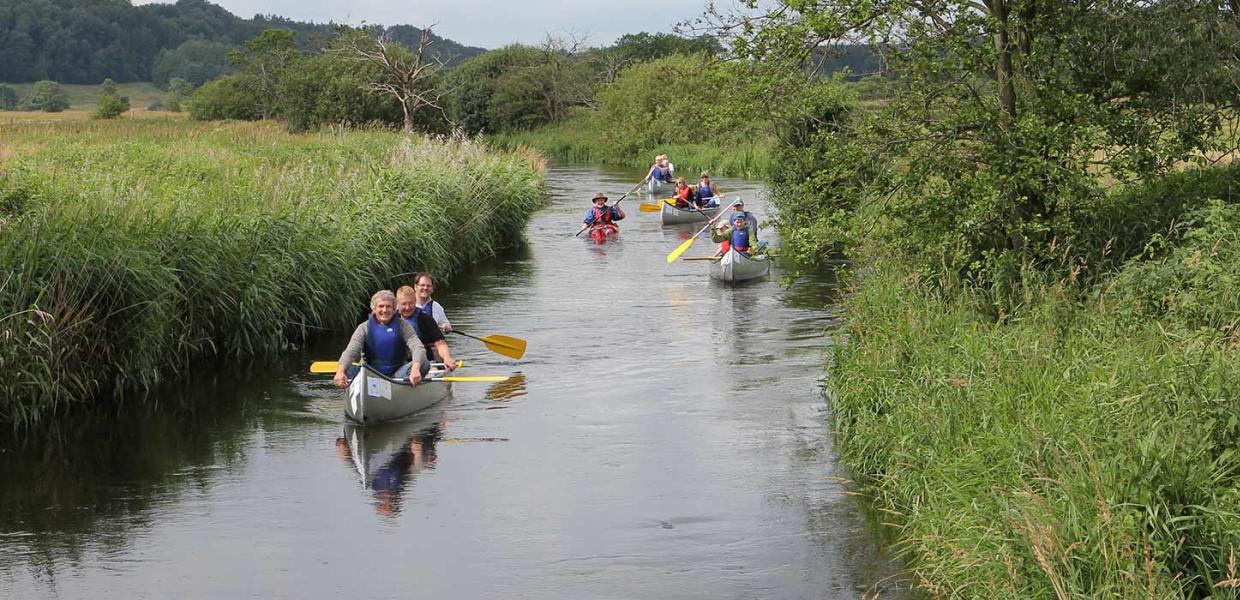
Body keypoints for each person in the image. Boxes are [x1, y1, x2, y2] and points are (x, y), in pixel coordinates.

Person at [334, 290, 429, 388]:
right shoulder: (364, 328)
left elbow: (418, 347)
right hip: (370, 373)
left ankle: (408, 383)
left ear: (394, 309)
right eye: (381, 306)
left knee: (424, 363)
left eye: (388, 306)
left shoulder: (403, 326)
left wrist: (415, 369)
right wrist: (341, 371)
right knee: (343, 367)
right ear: (374, 309)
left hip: (397, 374)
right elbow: (350, 352)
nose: (384, 310)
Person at [396, 284, 457, 370]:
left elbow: (440, 344)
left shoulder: (425, 319)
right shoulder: (391, 319)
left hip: (426, 359)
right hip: (401, 359)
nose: (407, 307)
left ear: (415, 301)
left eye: (411, 303)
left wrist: (447, 358)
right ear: (397, 304)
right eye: (404, 304)